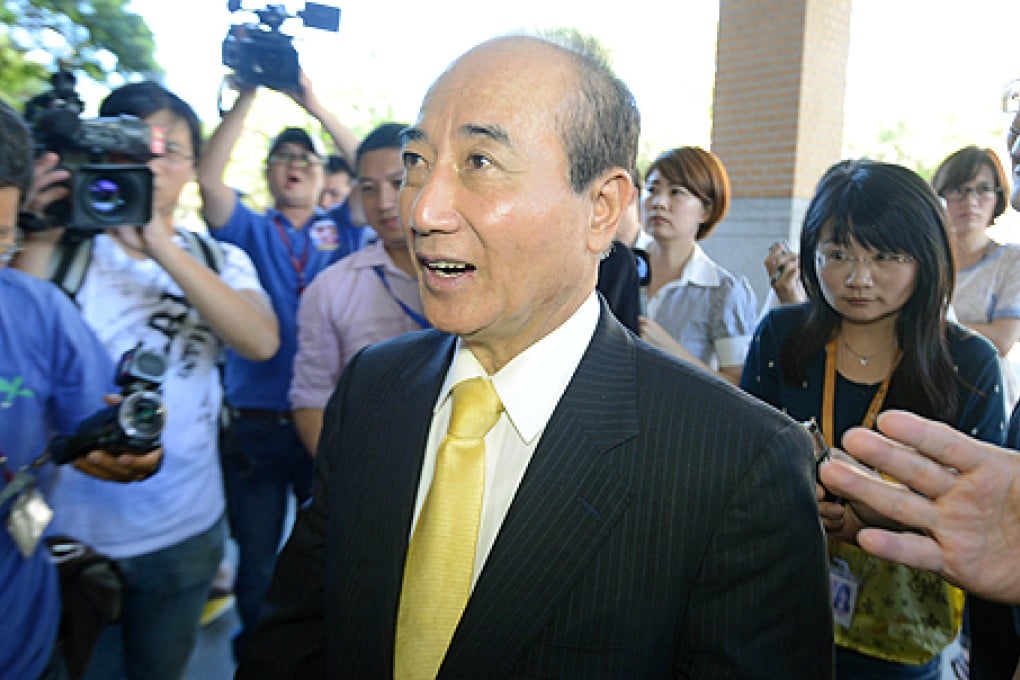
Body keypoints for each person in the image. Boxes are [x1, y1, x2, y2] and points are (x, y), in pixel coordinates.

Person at [236, 33, 833, 679]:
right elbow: (293, 643)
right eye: (417, 160)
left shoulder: (739, 463)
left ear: (602, 209)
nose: (423, 209)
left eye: (480, 162)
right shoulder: (373, 387)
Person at [16, 81, 278, 680]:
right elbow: (17, 352)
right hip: (68, 534)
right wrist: (37, 233)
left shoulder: (217, 259)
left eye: (169, 150)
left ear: (192, 166)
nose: (152, 164)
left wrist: (160, 244)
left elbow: (260, 340)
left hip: (184, 531)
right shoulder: (59, 248)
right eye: (133, 146)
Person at [741, 158, 1005, 679]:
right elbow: (743, 463)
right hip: (779, 605)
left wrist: (871, 517)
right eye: (838, 254)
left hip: (900, 628)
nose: (859, 278)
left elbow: (983, 509)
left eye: (886, 256)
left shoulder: (968, 362)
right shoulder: (780, 337)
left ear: (926, 257)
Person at [196, 72, 370, 658]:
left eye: (306, 159)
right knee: (256, 563)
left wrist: (311, 101)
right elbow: (208, 179)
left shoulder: (342, 228)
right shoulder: (247, 228)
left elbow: (377, 168)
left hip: (328, 420)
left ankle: (316, 658)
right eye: (283, 157)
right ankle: (258, 660)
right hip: (258, 425)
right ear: (268, 172)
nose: (294, 166)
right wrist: (248, 91)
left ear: (322, 175)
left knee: (332, 554)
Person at [0, 98, 163, 680]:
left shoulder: (37, 308)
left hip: (24, 642)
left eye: (0, 239)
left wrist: (130, 447)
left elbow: (105, 429)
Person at [290, 122, 425, 455]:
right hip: (373, 463)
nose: (383, 202)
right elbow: (311, 400)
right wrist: (342, 478)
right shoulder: (330, 290)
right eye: (368, 188)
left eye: (398, 183)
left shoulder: (480, 272)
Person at [637, 146, 757, 384]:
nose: (659, 203)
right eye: (652, 190)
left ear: (706, 211)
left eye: (676, 192)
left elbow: (737, 386)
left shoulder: (723, 291)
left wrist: (669, 350)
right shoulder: (620, 268)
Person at [932, 145, 1020, 411]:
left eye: (983, 189)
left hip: (988, 394)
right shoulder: (924, 261)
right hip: (931, 385)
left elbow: (1002, 339)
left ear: (998, 197)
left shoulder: (1012, 260)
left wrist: (932, 324)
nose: (970, 201)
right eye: (959, 190)